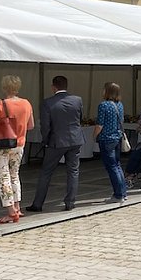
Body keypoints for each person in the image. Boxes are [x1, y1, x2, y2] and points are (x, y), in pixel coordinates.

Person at [27, 76, 84, 212]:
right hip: (75, 139)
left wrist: (46, 140)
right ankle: (70, 202)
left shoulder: (47, 103)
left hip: (56, 141)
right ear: (66, 85)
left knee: (46, 172)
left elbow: (45, 126)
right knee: (73, 171)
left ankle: (38, 203)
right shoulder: (77, 100)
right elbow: (80, 118)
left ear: (53, 87)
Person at [0, 76, 32, 223]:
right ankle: (17, 207)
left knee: (3, 177)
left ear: (4, 88)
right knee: (14, 175)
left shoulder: (0, 104)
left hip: (1, 146)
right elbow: (30, 125)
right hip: (19, 144)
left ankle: (11, 211)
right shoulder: (26, 103)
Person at [94, 82, 127, 205]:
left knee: (112, 167)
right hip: (117, 137)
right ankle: (123, 192)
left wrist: (94, 135)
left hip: (106, 138)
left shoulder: (103, 105)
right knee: (117, 166)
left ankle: (118, 194)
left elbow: (100, 124)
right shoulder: (120, 105)